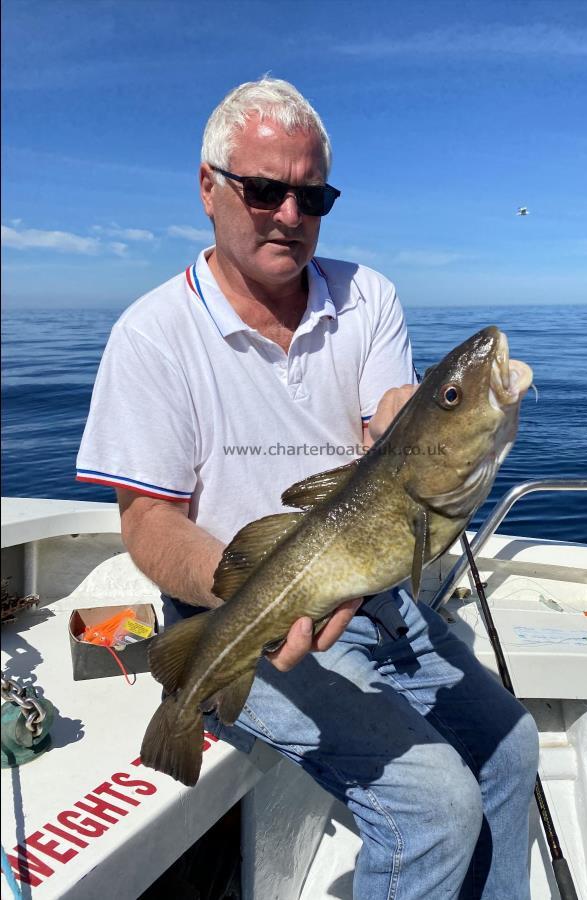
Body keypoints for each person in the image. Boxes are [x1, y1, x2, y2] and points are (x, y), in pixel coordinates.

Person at [77, 77, 539, 899]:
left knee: (512, 748)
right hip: (238, 617)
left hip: (376, 595)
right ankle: (186, 708)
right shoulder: (150, 336)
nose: (290, 215)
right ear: (208, 187)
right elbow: (147, 521)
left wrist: (427, 410)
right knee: (433, 805)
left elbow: (389, 432)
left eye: (312, 194)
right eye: (264, 191)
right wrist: (255, 591)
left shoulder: (368, 297)